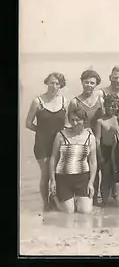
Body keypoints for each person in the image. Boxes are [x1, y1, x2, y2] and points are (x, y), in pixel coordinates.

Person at [25, 72, 68, 211]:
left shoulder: (64, 101)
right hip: (42, 144)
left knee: (58, 174)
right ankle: (45, 204)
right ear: (47, 83)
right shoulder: (37, 101)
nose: (54, 86)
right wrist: (42, 131)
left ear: (61, 85)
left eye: (57, 83)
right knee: (45, 176)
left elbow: (67, 123)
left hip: (59, 143)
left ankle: (55, 200)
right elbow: (28, 123)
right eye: (52, 82)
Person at [48, 106, 97, 214]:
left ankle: (76, 200)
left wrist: (91, 183)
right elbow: (53, 159)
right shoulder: (60, 135)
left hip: (82, 178)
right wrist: (52, 181)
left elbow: (93, 162)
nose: (74, 123)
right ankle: (54, 199)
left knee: (85, 211)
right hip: (63, 178)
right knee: (68, 212)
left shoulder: (90, 138)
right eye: (72, 120)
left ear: (84, 120)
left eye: (77, 120)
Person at [94, 93, 119, 206]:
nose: (111, 108)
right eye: (109, 105)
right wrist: (99, 155)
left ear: (117, 107)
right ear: (105, 105)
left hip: (117, 151)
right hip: (105, 150)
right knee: (105, 176)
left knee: (116, 176)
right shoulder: (100, 121)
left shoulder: (118, 119)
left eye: (114, 106)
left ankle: (115, 199)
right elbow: (97, 139)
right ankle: (104, 200)